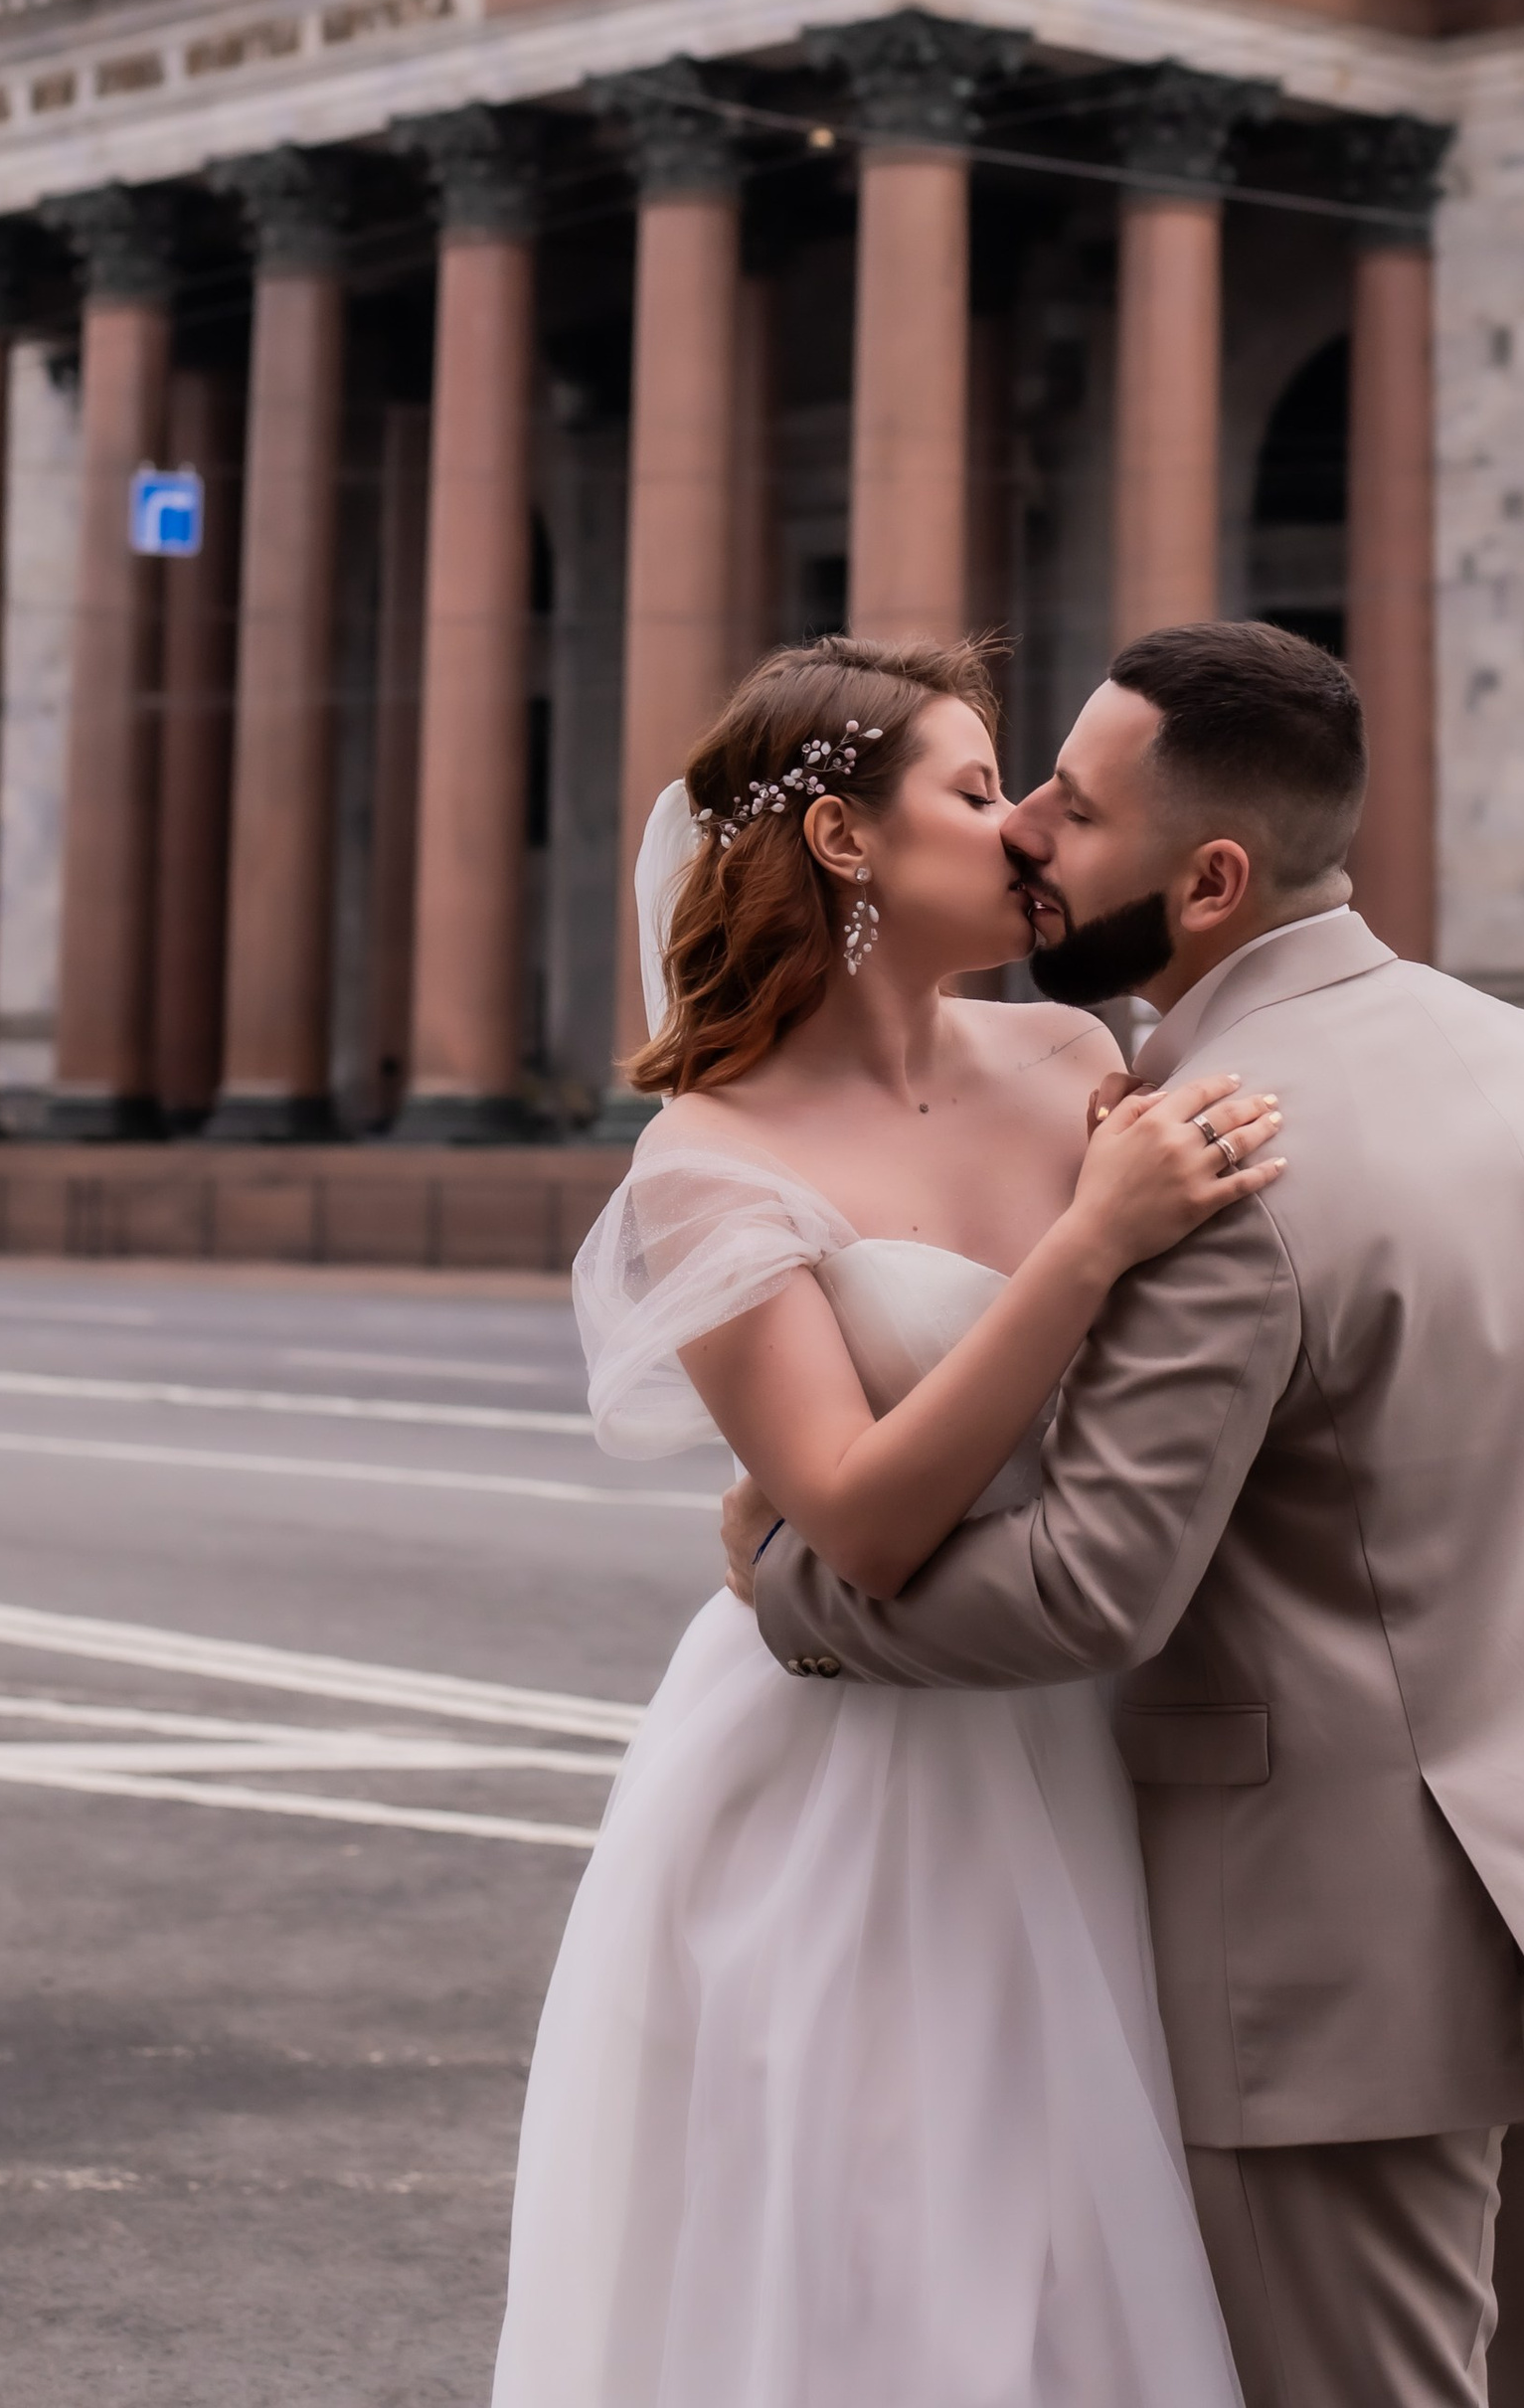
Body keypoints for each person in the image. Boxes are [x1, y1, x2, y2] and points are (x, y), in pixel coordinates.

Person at [741, 618, 1524, 2408]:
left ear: (1210, 880)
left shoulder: (1228, 1154)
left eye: (1074, 804)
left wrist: (790, 1579)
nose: (1027, 832)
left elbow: (1084, 1592)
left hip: (1339, 1945)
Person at [490, 632, 1281, 2408]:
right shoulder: (709, 1158)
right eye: (976, 788)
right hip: (849, 1783)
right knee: (891, 2262)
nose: (1020, 835)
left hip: (1078, 1727)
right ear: (847, 841)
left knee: (1087, 2251)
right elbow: (856, 1524)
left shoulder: (1078, 1046)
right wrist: (1088, 1241)